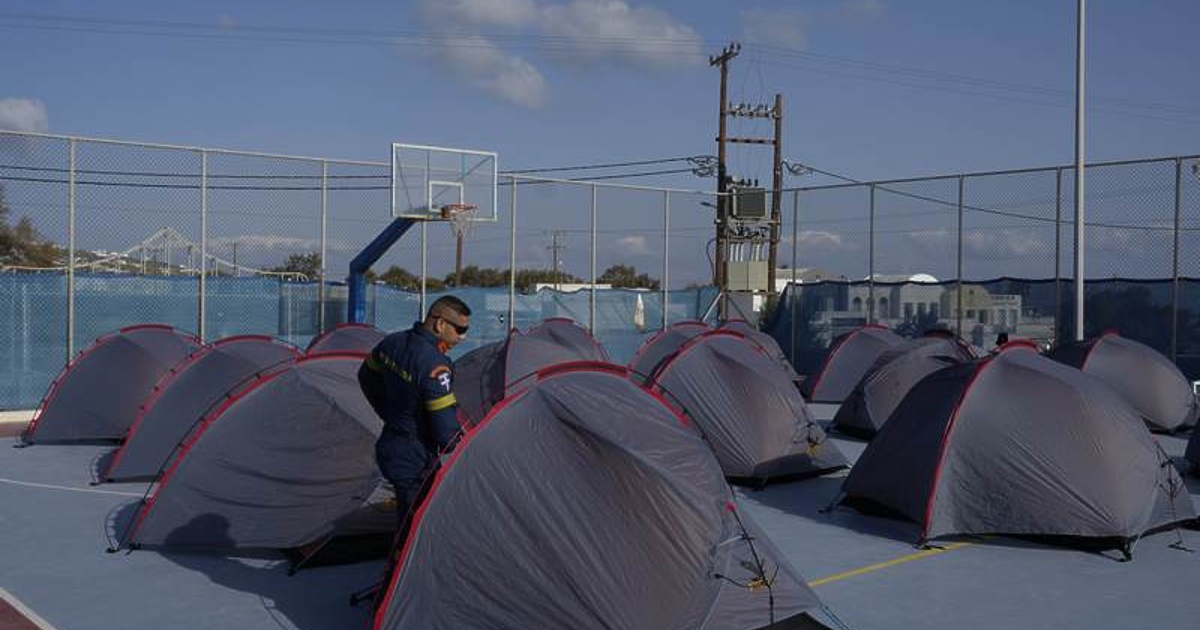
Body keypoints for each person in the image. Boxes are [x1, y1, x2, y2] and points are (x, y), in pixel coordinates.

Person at [358, 295, 471, 525]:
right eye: (459, 329)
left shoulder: (391, 343)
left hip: (391, 444)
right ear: (440, 324)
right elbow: (445, 432)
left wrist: (391, 415)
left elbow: (366, 377)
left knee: (406, 515)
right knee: (414, 525)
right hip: (416, 457)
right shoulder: (436, 366)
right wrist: (468, 448)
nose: (463, 337)